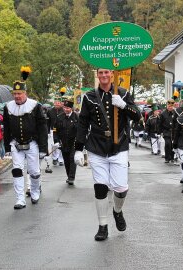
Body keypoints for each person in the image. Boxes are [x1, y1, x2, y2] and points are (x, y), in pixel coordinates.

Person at [74, 68, 141, 241]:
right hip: (96, 146)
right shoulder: (89, 97)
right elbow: (82, 124)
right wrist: (78, 149)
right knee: (101, 186)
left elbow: (138, 116)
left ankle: (117, 212)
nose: (104, 76)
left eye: (107, 73)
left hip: (118, 146)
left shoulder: (123, 94)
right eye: (101, 73)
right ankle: (102, 226)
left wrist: (123, 105)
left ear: (112, 74)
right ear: (98, 75)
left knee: (121, 188)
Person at [3, 81, 48, 209]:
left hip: (32, 143)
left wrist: (43, 148)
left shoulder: (35, 106)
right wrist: (7, 147)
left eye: (19, 93)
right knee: (17, 169)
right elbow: (6, 128)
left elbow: (42, 128)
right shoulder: (8, 107)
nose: (17, 96)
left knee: (34, 171)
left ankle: (34, 192)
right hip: (16, 143)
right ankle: (20, 199)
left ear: (25, 93)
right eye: (15, 93)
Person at [53, 99, 78, 185]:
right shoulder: (59, 117)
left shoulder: (76, 117)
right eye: (65, 107)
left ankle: (71, 177)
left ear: (71, 108)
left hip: (74, 143)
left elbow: (81, 130)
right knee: (66, 160)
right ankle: (69, 176)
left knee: (72, 159)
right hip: (63, 143)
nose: (66, 110)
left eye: (68, 108)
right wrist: (56, 141)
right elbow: (55, 130)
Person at [47, 100, 64, 166]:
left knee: (61, 144)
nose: (57, 104)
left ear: (60, 103)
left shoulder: (63, 110)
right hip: (53, 130)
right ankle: (54, 158)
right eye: (56, 102)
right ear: (54, 103)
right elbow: (48, 122)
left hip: (62, 130)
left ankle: (61, 160)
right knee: (54, 145)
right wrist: (48, 131)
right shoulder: (50, 111)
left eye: (58, 103)